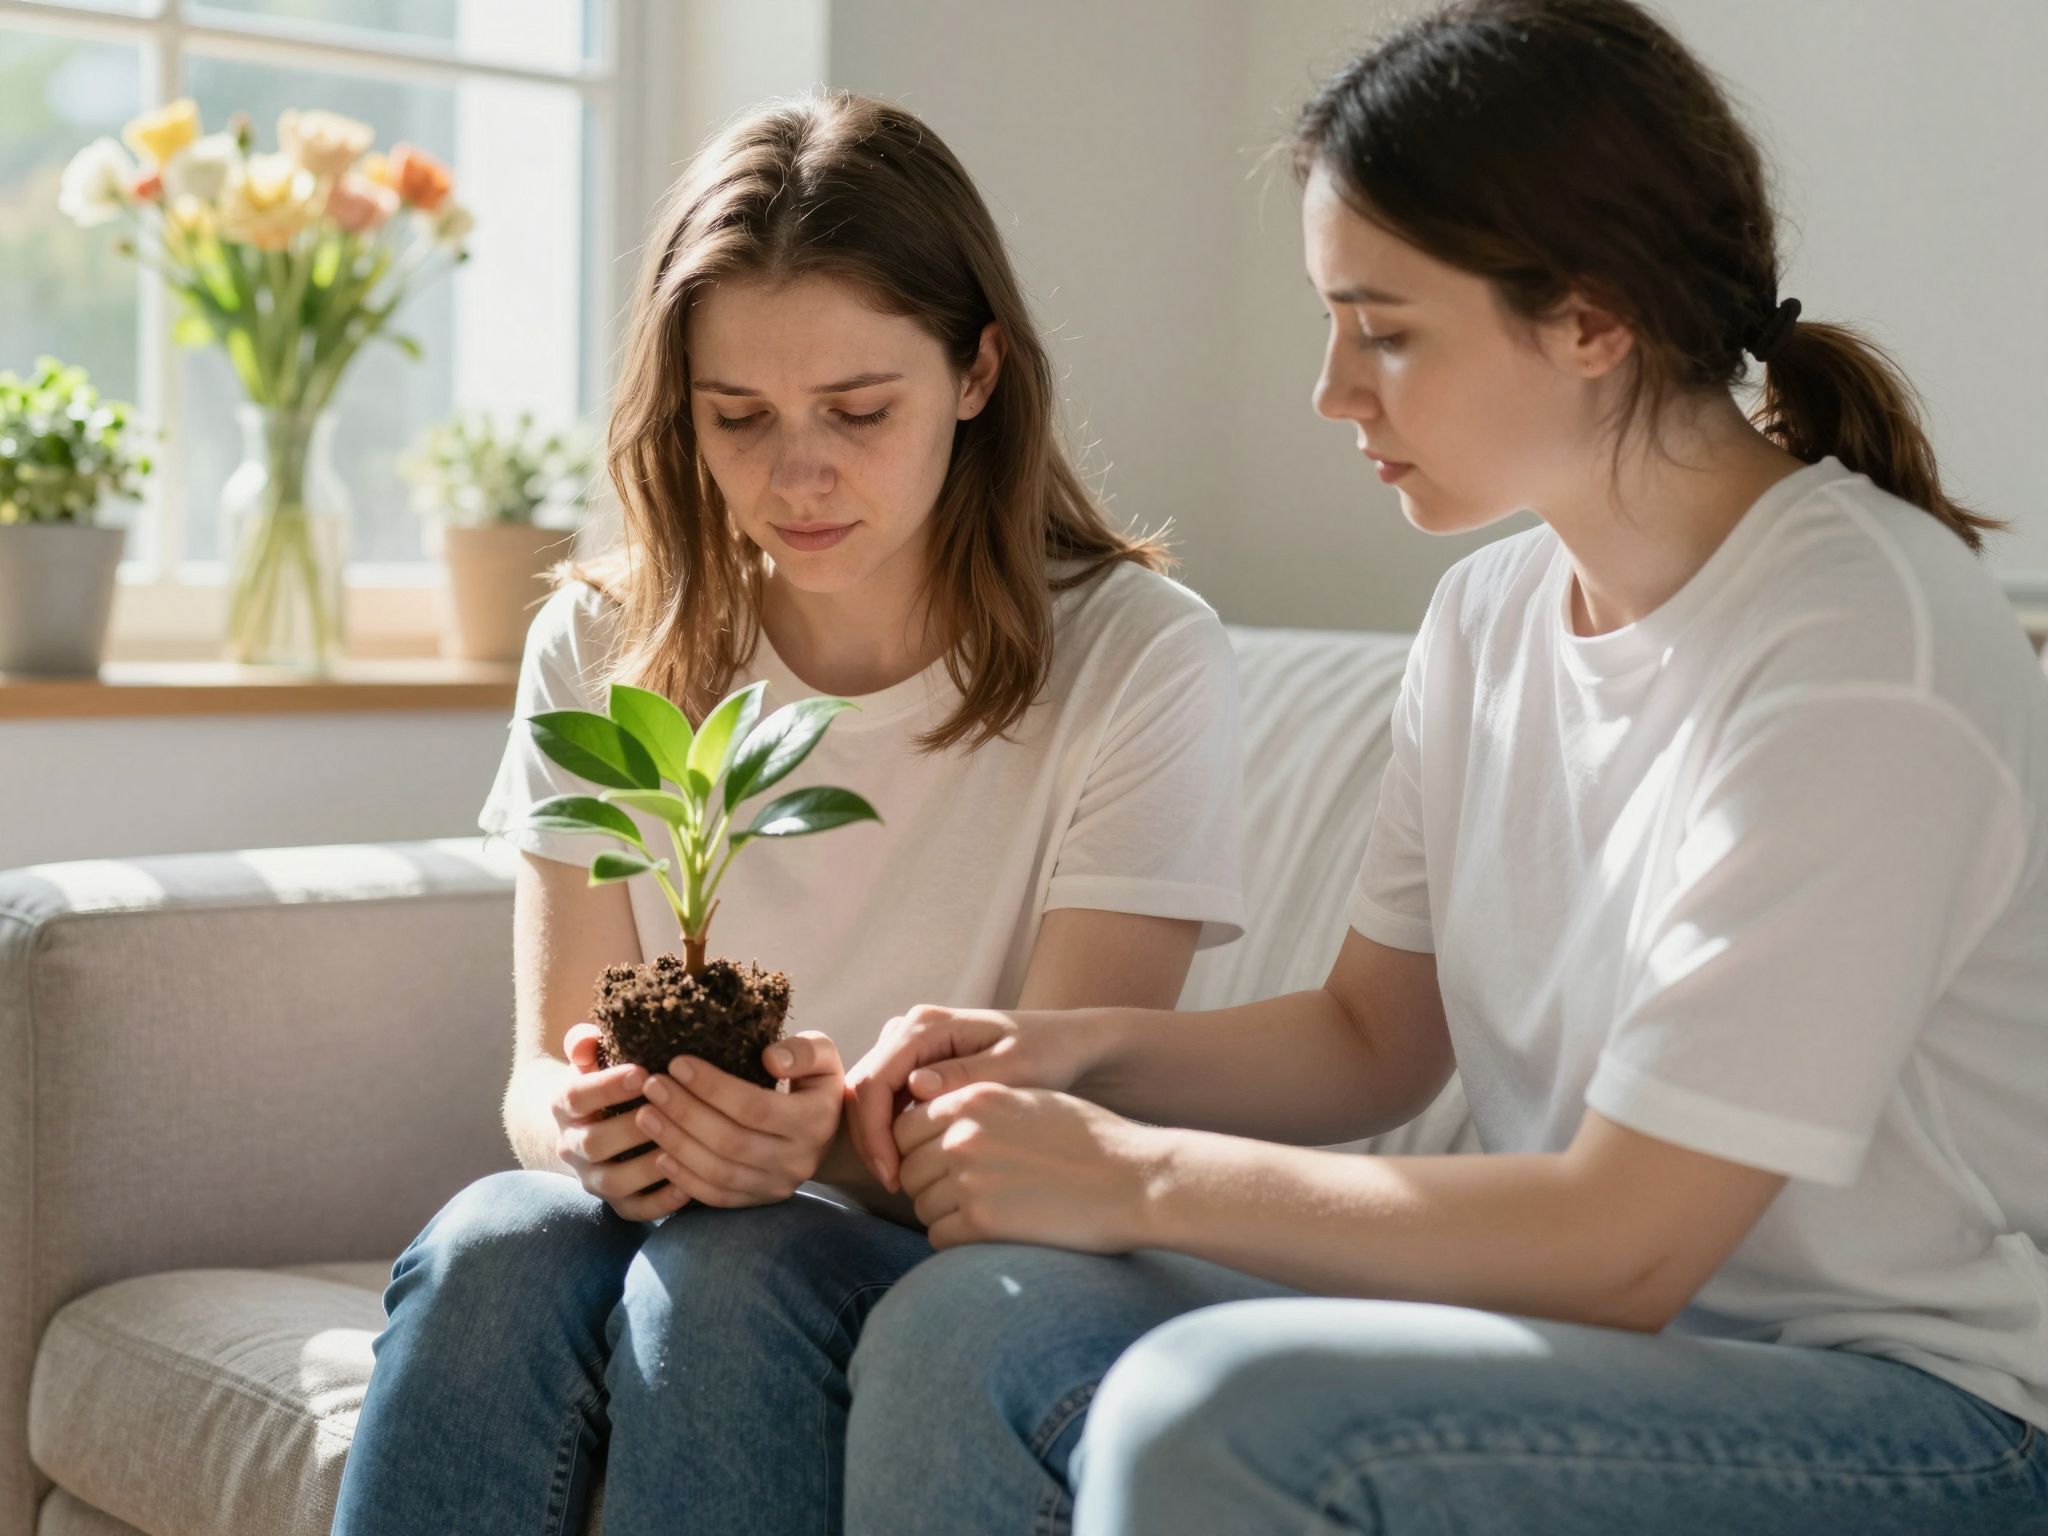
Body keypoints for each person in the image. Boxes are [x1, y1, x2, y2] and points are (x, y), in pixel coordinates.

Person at [832, 2, 2048, 1531]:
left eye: (1387, 330)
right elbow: (1369, 1040)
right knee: (978, 1321)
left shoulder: (1863, 650)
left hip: (1921, 1415)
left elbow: (1625, 1242)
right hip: (1605, 1354)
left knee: (1227, 1416)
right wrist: (1063, 1053)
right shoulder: (1488, 618)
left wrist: (1131, 1176)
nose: (1334, 391)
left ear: (1595, 318)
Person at [328, 91, 1248, 1536]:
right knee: (496, 1237)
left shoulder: (1138, 654)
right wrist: (591, 1134)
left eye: (857, 412)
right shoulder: (603, 644)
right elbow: (533, 1076)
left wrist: (799, 1149)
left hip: (956, 1244)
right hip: (695, 1207)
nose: (795, 474)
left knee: (741, 1265)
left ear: (977, 371)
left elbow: (1061, 1122)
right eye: (737, 418)